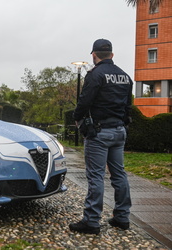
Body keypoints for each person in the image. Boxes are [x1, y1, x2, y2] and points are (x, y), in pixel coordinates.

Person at [69, 39, 133, 235]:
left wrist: (77, 118)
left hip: (99, 132)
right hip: (119, 131)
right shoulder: (125, 76)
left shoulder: (95, 75)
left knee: (96, 176)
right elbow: (127, 107)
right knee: (119, 174)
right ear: (112, 55)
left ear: (94, 55)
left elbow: (85, 101)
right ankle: (122, 217)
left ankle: (91, 221)